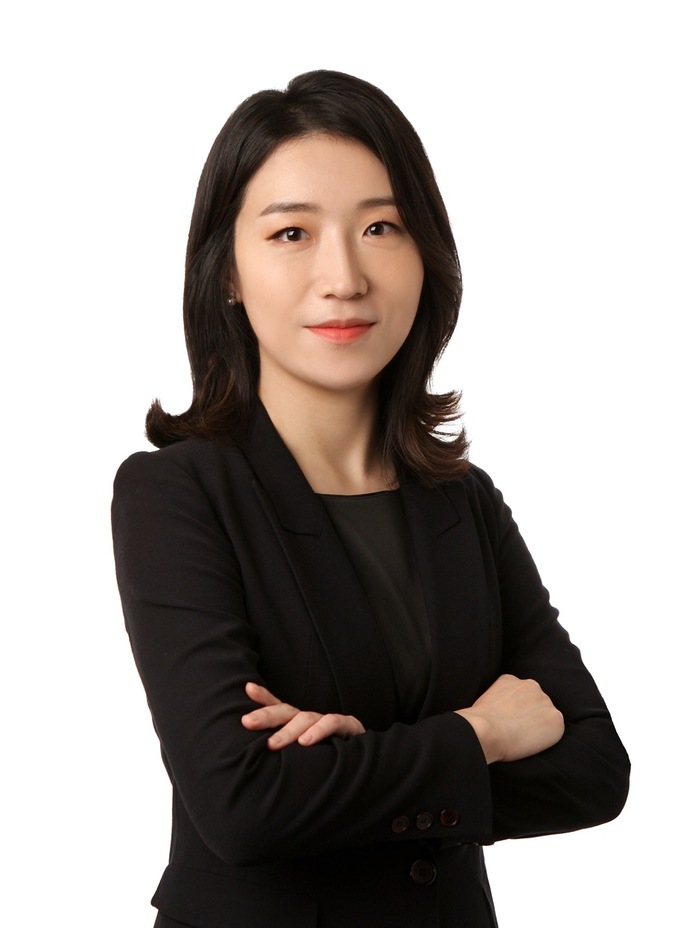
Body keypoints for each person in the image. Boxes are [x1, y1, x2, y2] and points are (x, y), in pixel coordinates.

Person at [111, 70, 629, 928]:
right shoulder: (176, 493)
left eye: (381, 227)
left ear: (425, 255)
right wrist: (478, 736)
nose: (344, 276)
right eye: (291, 233)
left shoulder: (465, 501)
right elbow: (243, 806)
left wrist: (351, 777)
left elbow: (595, 769)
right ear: (227, 272)